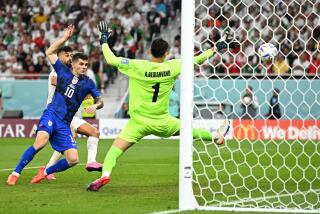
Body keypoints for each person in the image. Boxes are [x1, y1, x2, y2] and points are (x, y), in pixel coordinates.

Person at [86, 21, 239, 191]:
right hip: (163, 121)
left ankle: (105, 175)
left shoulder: (137, 66)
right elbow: (198, 59)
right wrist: (217, 48)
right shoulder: (173, 66)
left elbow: (111, 58)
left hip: (138, 123)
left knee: (114, 151)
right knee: (188, 130)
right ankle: (216, 138)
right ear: (167, 53)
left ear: (149, 51)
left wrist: (104, 39)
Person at [7, 25, 104, 185]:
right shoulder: (62, 71)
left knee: (73, 159)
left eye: (86, 65)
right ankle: (15, 173)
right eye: (81, 64)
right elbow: (49, 52)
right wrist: (65, 38)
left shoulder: (88, 83)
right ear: (73, 64)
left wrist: (96, 106)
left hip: (65, 123)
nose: (84, 67)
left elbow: (100, 100)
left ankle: (45, 171)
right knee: (41, 142)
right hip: (51, 114)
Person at [33, 46, 103, 181]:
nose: (70, 57)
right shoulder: (57, 73)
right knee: (70, 138)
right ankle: (48, 169)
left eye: (71, 55)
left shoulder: (76, 77)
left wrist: (88, 96)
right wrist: (83, 92)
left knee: (94, 132)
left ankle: (90, 162)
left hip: (69, 114)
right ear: (58, 57)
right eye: (67, 55)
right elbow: (59, 83)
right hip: (55, 112)